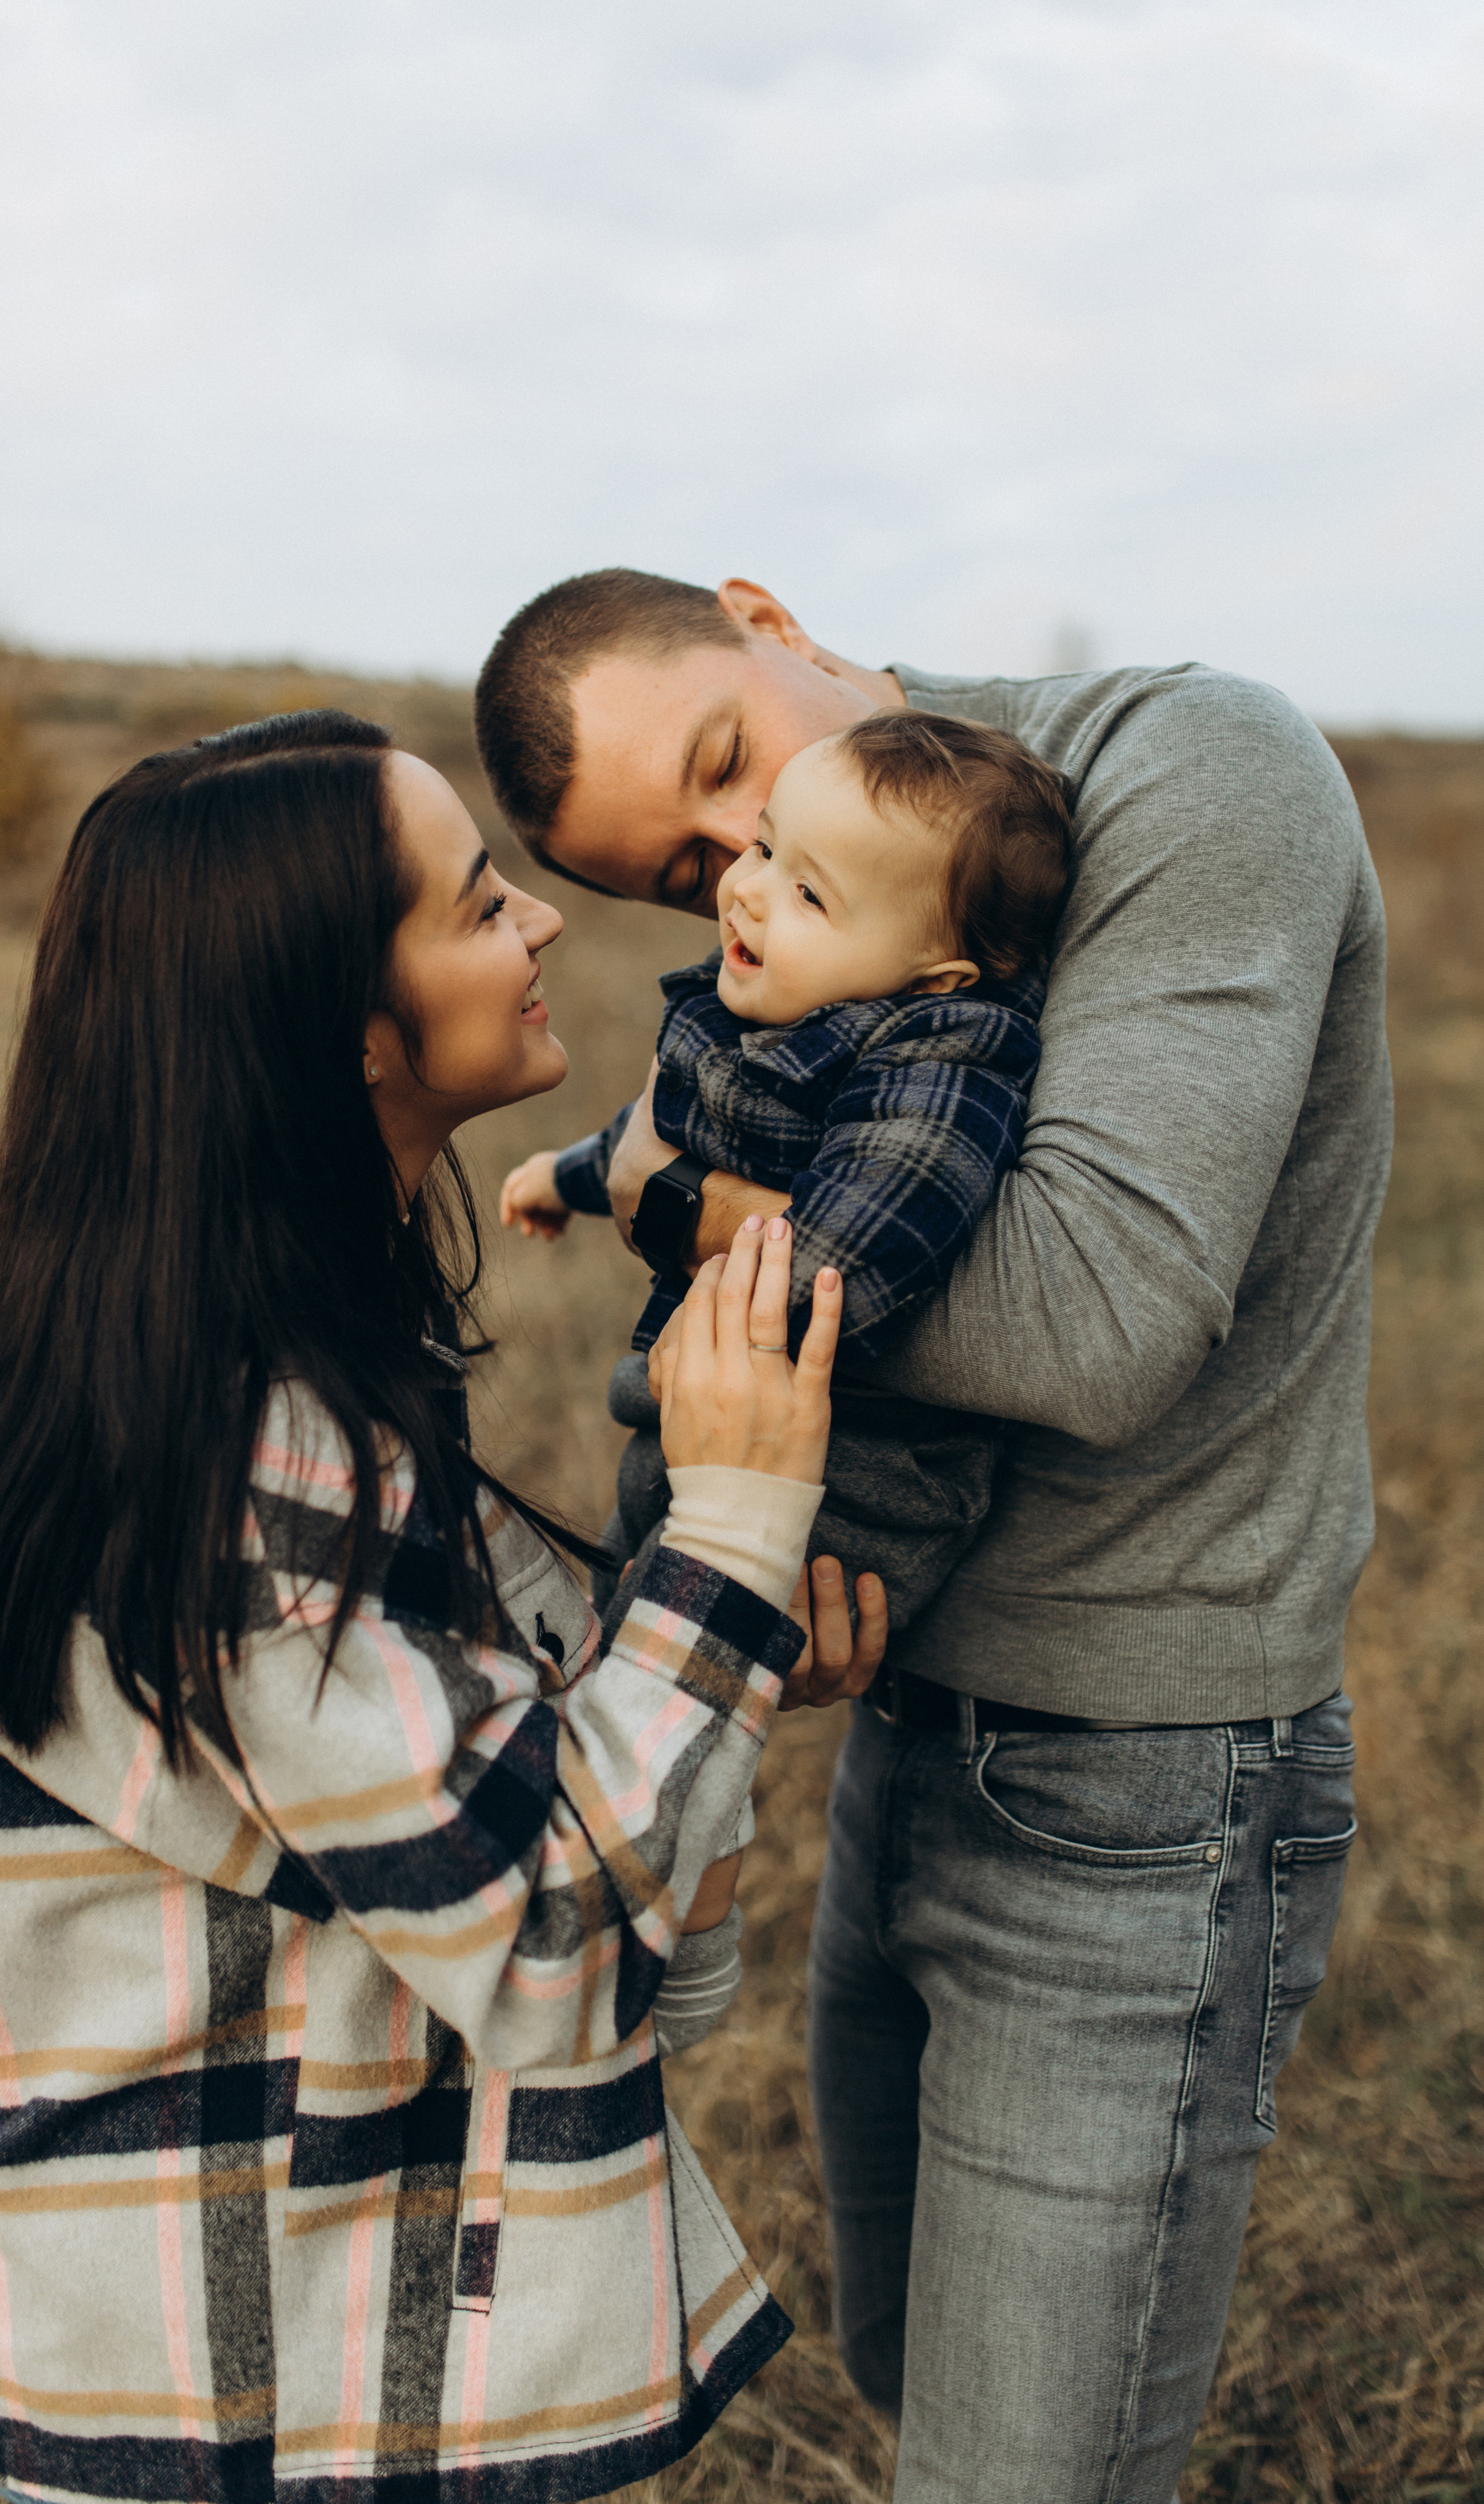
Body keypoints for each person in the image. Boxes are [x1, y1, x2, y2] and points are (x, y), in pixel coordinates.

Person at [473, 570, 1393, 2502]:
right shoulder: (800, 951)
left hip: (1141, 1786)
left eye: (729, 761)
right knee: (910, 2369)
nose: (744, 866)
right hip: (902, 1730)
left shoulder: (1182, 769)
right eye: (689, 863)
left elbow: (1089, 1313)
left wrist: (664, 1194)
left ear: (764, 611)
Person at [0, 709, 883, 2504]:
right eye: (480, 905)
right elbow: (558, 1952)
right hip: (233, 2408)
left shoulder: (227, 1373)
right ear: (344, 1027)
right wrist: (728, 1524)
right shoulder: (246, 1446)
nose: (542, 923)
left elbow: (523, 1895)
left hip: (230, 2364)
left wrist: (707, 1673)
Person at [501, 708, 1073, 1641]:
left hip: (845, 1489)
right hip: (705, 1434)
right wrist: (564, 1178)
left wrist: (665, 1205)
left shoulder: (940, 1068)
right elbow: (667, 1133)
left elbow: (845, 1266)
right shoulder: (790, 1004)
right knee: (586, 1641)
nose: (749, 893)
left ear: (936, 977)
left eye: (812, 896)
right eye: (766, 849)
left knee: (643, 1676)